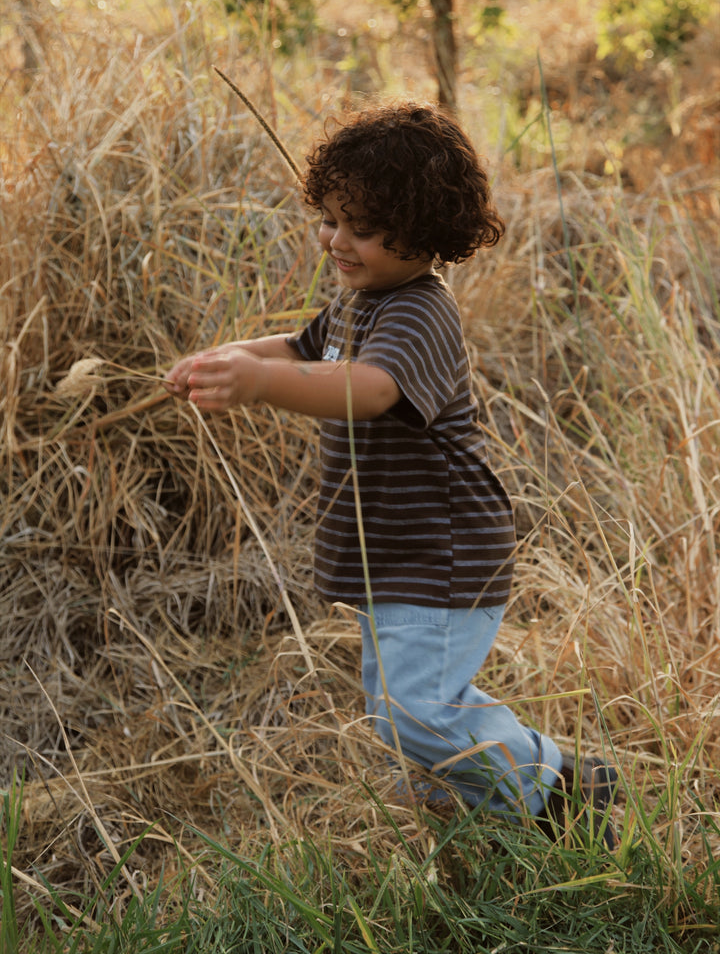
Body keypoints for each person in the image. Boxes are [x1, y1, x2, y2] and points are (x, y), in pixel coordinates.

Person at [164, 101, 619, 844]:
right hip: (391, 553)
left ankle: (563, 785)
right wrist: (230, 360)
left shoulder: (419, 312)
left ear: (424, 232)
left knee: (419, 708)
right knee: (398, 709)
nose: (337, 240)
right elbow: (301, 346)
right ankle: (489, 800)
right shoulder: (362, 300)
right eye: (331, 218)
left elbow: (371, 390)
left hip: (440, 551)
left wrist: (258, 385)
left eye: (363, 229)